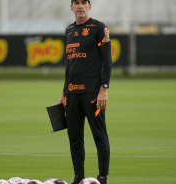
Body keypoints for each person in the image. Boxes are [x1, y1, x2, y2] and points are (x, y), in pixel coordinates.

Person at [58, 0, 112, 184]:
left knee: (99, 136)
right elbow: (70, 64)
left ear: (89, 5)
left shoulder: (99, 27)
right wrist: (64, 92)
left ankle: (102, 178)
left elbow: (108, 61)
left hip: (92, 94)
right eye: (76, 3)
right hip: (72, 94)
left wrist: (103, 89)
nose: (80, 6)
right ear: (71, 6)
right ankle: (78, 178)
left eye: (83, 2)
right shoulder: (69, 30)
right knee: (74, 138)